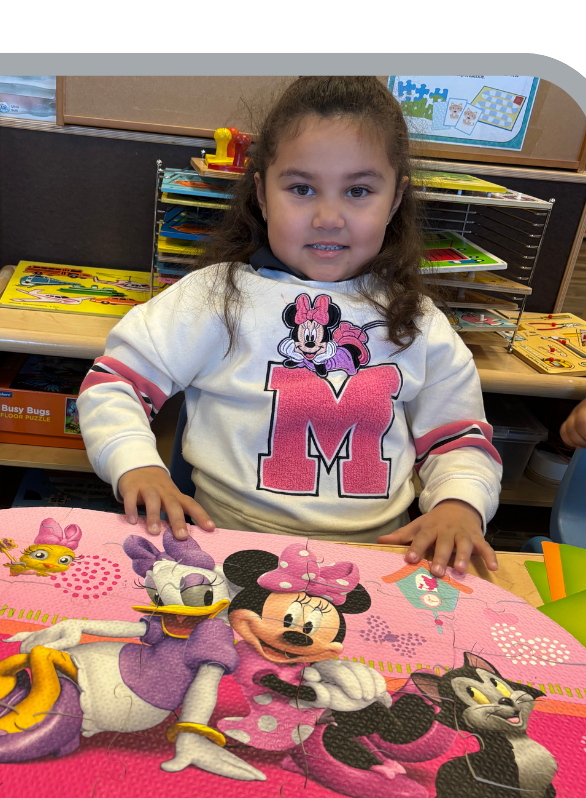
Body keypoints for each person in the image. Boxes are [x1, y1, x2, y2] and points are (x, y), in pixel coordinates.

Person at [78, 76, 501, 580]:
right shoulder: (215, 298)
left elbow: (460, 440)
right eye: (301, 189)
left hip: (379, 561)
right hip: (224, 548)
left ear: (394, 199)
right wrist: (135, 464)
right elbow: (112, 384)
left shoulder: (419, 323)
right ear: (261, 193)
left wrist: (460, 503)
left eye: (359, 191)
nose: (328, 217)